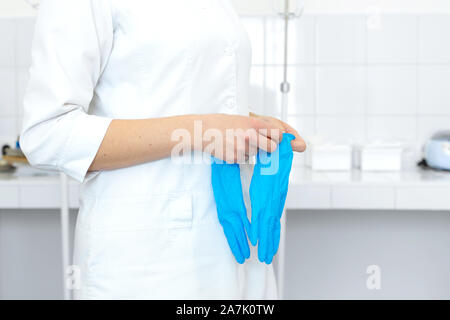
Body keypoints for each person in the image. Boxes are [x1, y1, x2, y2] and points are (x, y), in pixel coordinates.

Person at [20, 0, 306, 299]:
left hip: (237, 241)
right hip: (148, 255)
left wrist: (251, 128)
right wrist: (204, 130)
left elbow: (179, 98)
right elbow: (47, 133)